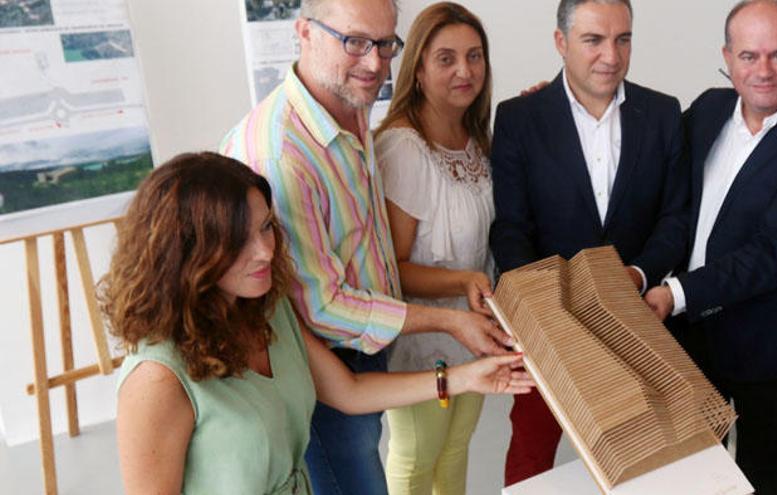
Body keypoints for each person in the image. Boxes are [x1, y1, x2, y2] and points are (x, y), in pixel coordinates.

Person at [105, 152, 534, 495]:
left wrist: (467, 377)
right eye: (238, 240)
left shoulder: (268, 310)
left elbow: (348, 392)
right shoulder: (156, 379)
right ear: (184, 253)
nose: (264, 252)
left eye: (266, 228)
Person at [219, 1, 512, 493]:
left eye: (385, 44)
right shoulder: (282, 155)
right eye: (354, 41)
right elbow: (323, 307)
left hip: (365, 351)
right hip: (323, 359)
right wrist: (448, 316)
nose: (375, 62)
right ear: (305, 33)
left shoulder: (353, 111)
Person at [644, 1, 777, 493]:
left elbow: (773, 252)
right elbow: (652, 163)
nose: (763, 71)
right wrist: (561, 105)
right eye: (748, 55)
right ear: (727, 55)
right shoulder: (710, 109)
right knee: (691, 471)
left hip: (764, 344)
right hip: (686, 335)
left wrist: (674, 293)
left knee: (758, 478)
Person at [489, 0, 689, 485]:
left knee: (638, 453)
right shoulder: (518, 117)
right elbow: (511, 228)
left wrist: (637, 276)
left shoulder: (663, 114)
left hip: (636, 317)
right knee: (532, 456)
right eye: (593, 40)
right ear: (561, 43)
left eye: (623, 39)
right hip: (549, 326)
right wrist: (545, 307)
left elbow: (676, 218)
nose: (611, 56)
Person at [373, 3, 493, 494]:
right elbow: (393, 270)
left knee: (454, 454)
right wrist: (464, 282)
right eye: (446, 59)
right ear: (418, 70)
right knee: (417, 460)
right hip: (421, 341)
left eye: (474, 56)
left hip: (473, 332)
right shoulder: (404, 147)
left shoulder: (475, 137)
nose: (464, 71)